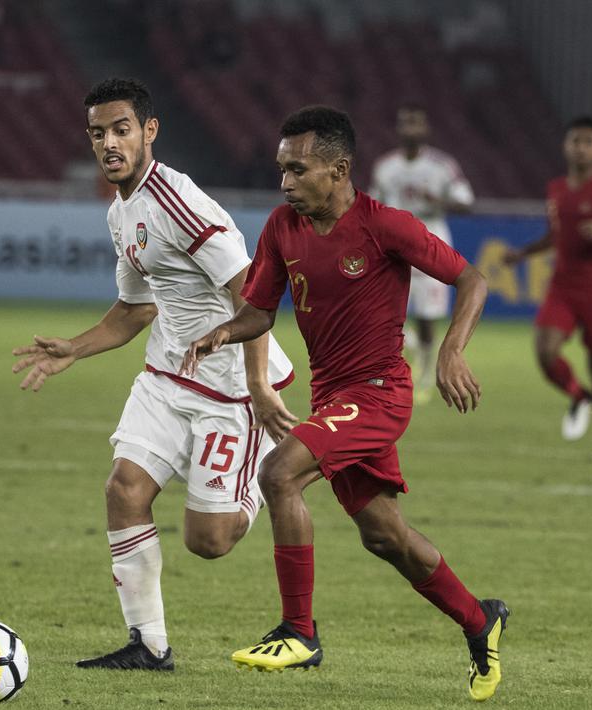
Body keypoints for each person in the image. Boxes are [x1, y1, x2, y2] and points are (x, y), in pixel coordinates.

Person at [184, 106, 509, 702]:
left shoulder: (387, 226)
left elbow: (473, 280)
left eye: (297, 169)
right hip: (333, 398)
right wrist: (222, 332)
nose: (285, 182)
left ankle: (298, 632)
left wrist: (452, 351)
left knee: (278, 473)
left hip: (380, 393)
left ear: (338, 170)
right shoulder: (282, 227)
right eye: (281, 169)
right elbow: (260, 311)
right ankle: (479, 619)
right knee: (385, 536)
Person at [11, 78, 296, 670]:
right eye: (98, 133)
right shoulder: (121, 211)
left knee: (208, 541)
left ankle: (271, 466)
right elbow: (138, 308)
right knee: (123, 490)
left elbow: (257, 303)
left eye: (121, 130)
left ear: (149, 132)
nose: (109, 143)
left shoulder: (181, 205)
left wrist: (263, 389)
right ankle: (150, 645)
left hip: (233, 388)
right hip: (168, 376)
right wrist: (76, 348)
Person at [503, 116, 592, 468]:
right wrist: (523, 253)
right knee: (545, 352)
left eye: (588, 141)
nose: (580, 147)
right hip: (562, 286)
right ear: (566, 146)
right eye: (575, 140)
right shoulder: (556, 189)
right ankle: (579, 398)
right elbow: (556, 234)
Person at [370, 103, 474, 403]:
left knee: (428, 317)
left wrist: (439, 199)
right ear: (398, 128)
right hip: (394, 247)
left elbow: (466, 203)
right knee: (384, 314)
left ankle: (426, 372)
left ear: (426, 128)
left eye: (415, 123)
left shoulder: (442, 166)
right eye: (405, 123)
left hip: (432, 243)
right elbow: (373, 206)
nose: (410, 129)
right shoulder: (385, 167)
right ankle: (387, 372)